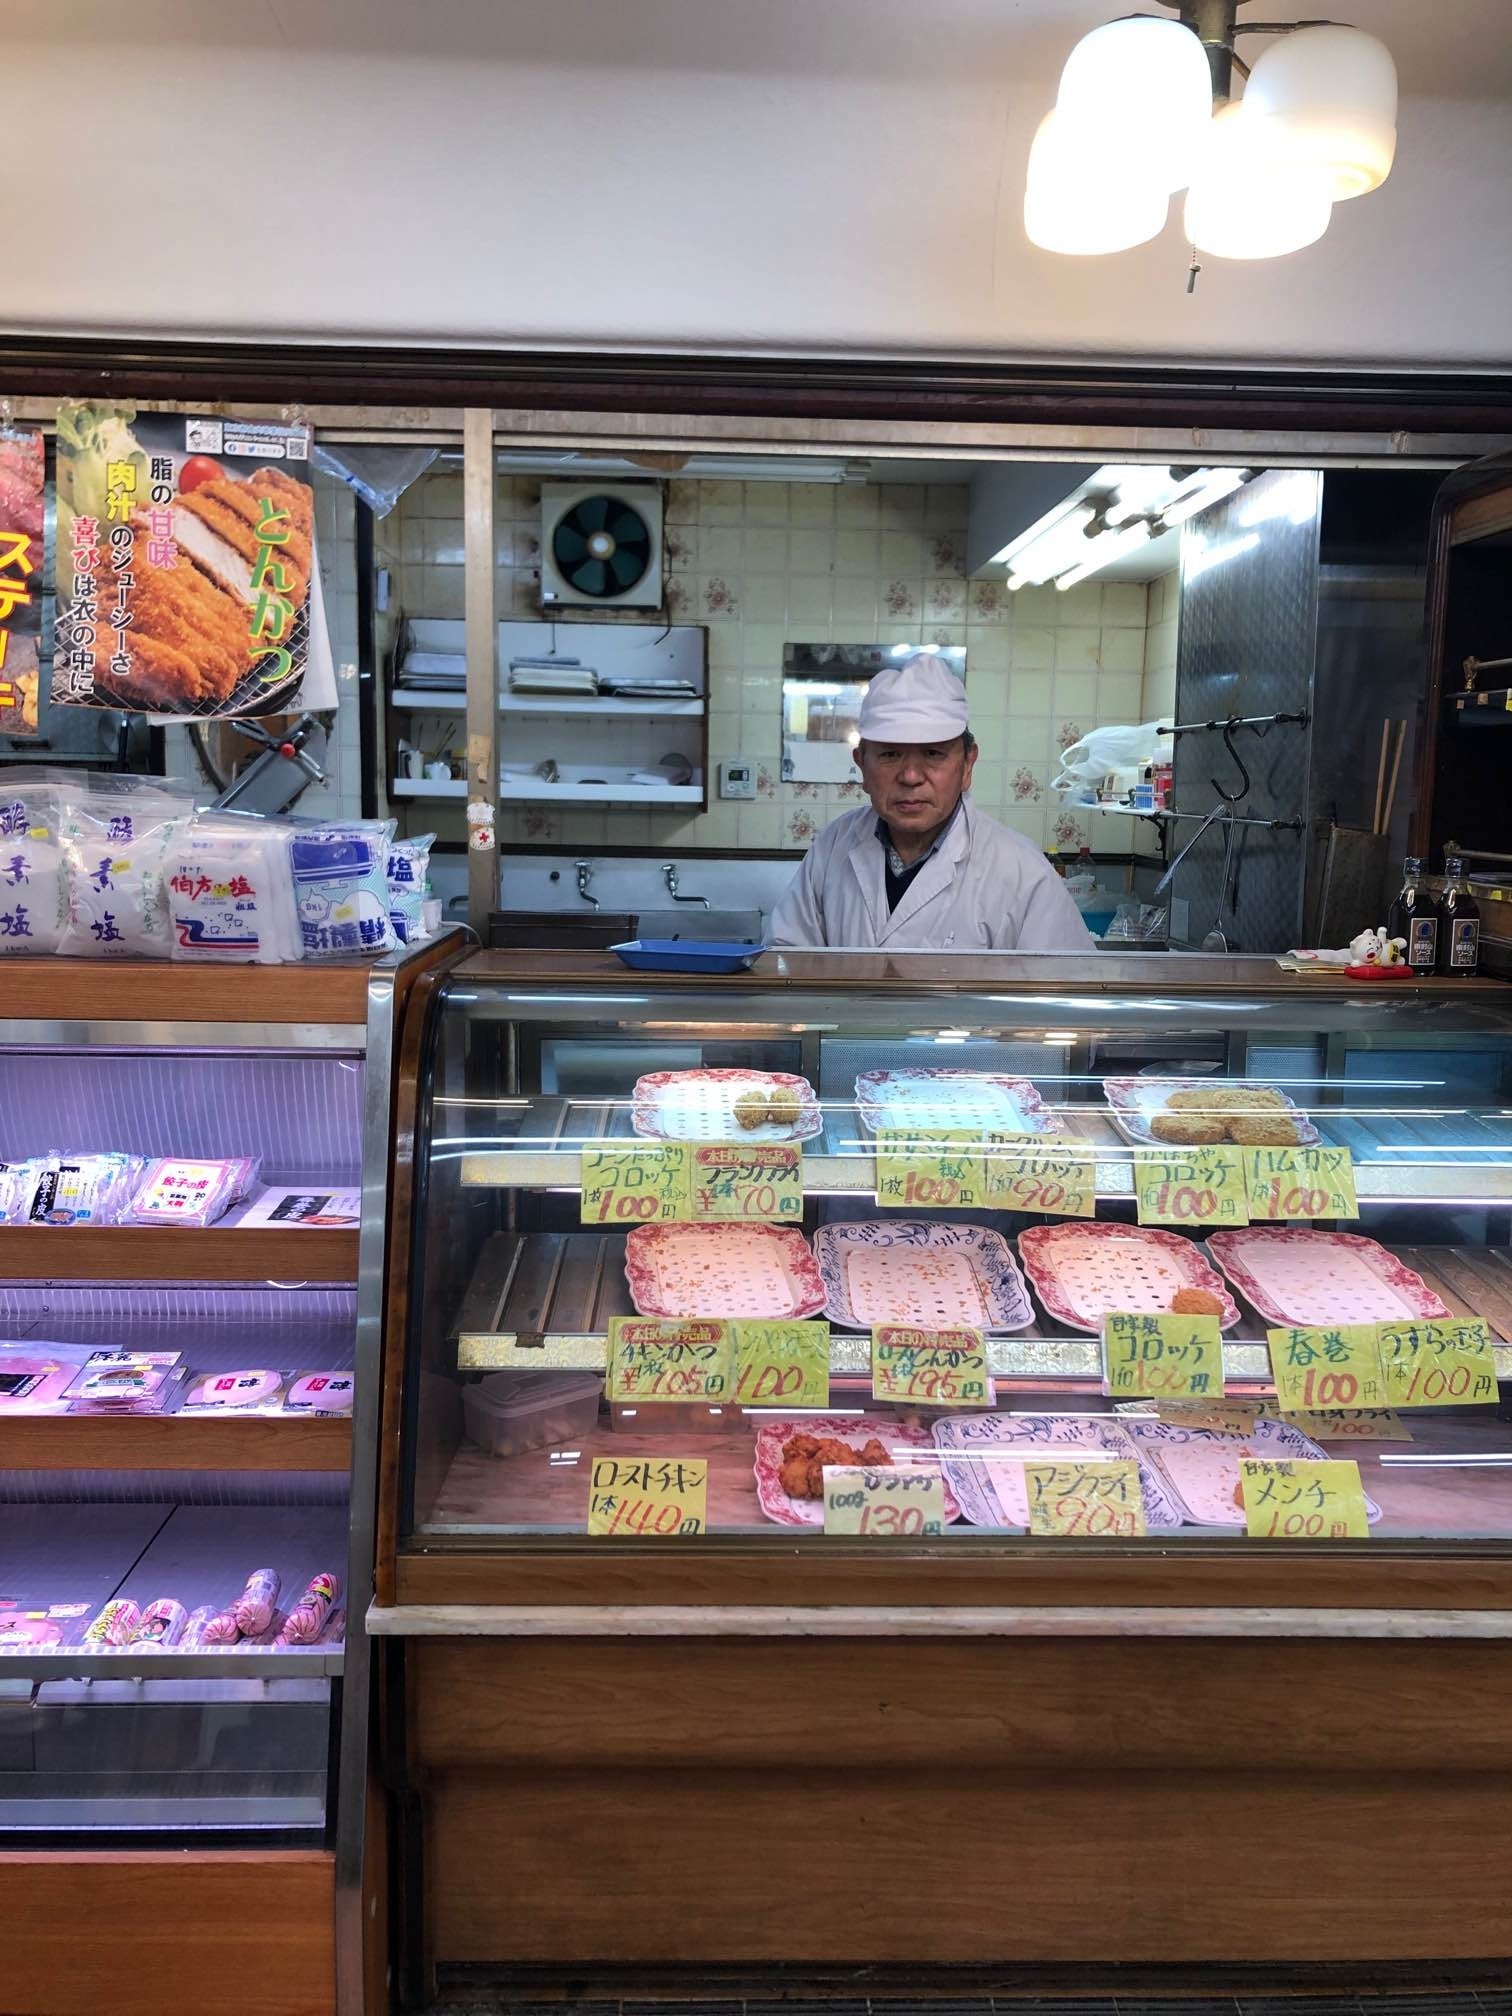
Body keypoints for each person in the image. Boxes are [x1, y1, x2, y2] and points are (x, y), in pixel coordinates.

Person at [770, 656, 1095, 951]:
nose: (911, 776)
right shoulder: (832, 848)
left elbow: (1068, 987)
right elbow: (786, 958)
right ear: (862, 765)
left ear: (967, 765)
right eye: (890, 754)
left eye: (933, 753)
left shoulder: (1023, 872)